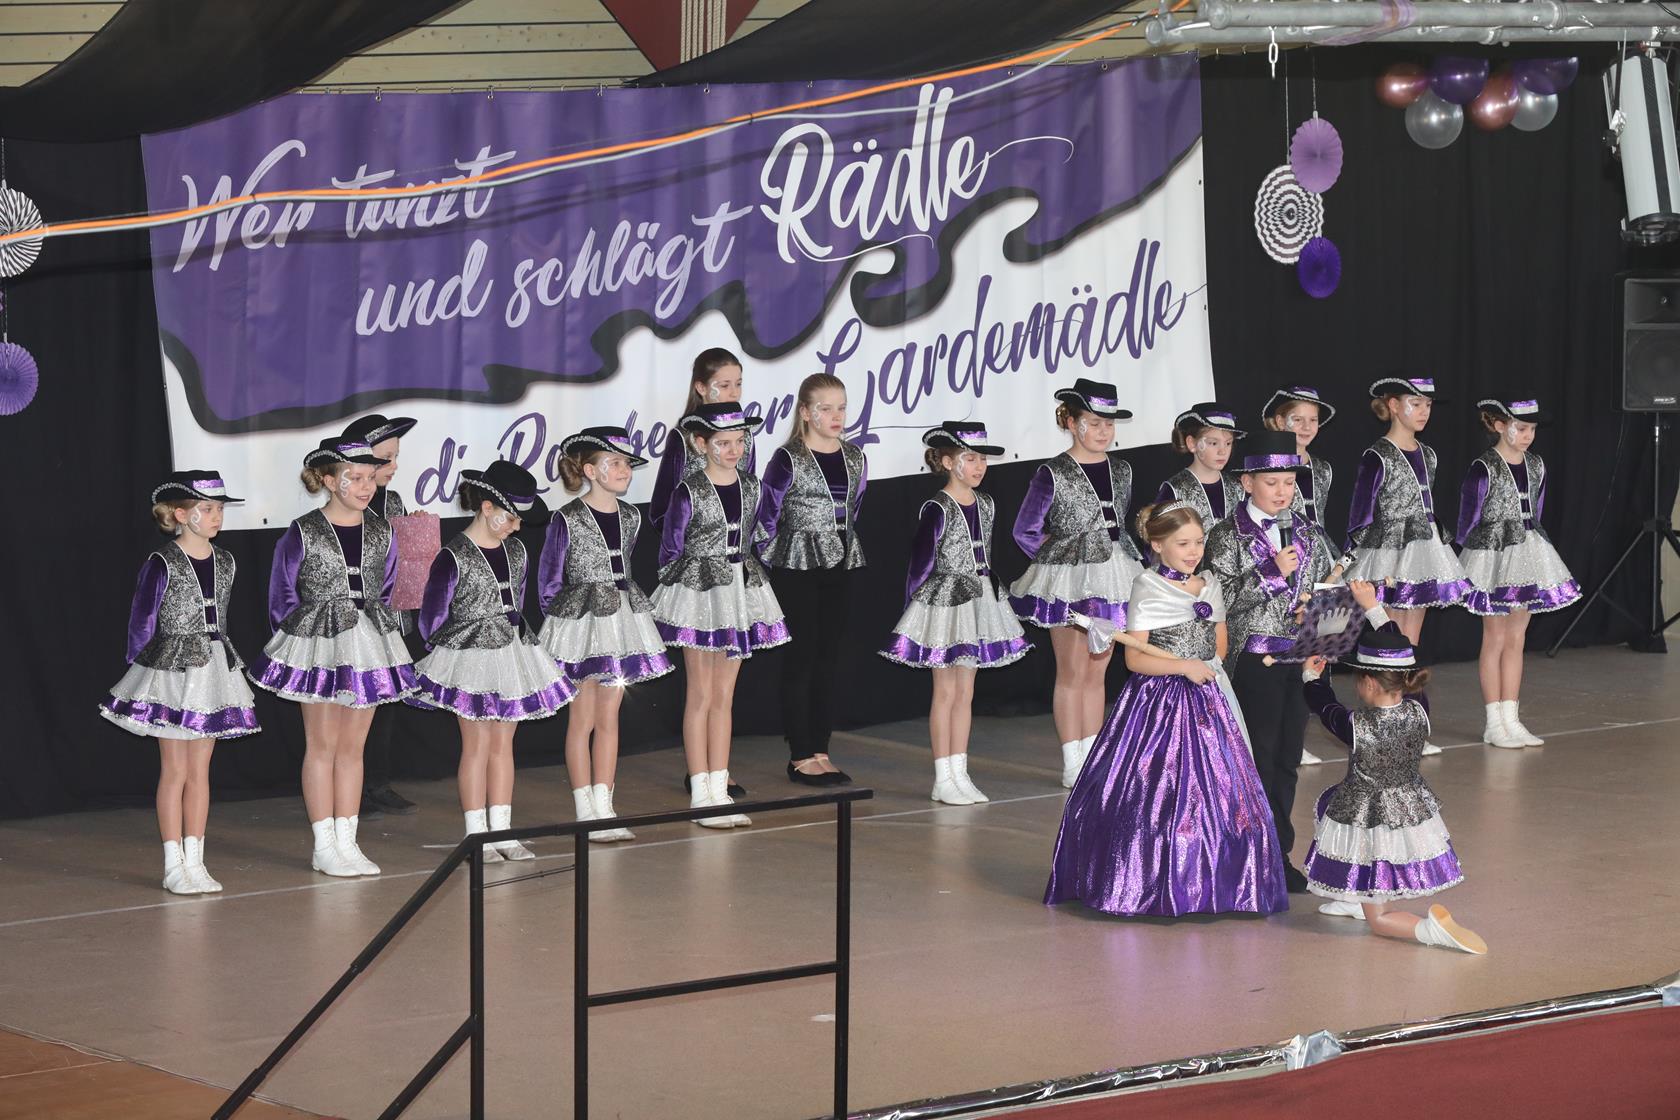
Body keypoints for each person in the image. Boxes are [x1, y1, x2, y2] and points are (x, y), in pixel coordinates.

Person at [1044, 501, 1286, 916]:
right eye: (1182, 544)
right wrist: (1182, 666)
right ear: (1157, 545)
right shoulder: (1147, 586)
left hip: (1209, 697)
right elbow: (1135, 659)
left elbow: (1219, 645)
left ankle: (1221, 884)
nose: (1194, 552)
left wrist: (1206, 665)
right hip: (1160, 703)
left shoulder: (1209, 584)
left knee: (1225, 792)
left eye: (1199, 542)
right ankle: (1148, 884)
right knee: (1160, 794)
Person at [250, 437, 416, 877]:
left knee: (353, 748)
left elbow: (388, 588)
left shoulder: (382, 531)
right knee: (322, 745)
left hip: (367, 644)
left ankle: (348, 840)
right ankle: (323, 844)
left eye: (369, 478)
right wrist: (300, 648)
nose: (365, 487)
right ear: (328, 480)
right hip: (319, 646)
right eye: (354, 478)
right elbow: (281, 597)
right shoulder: (303, 530)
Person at [101, 472, 261, 894]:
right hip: (172, 672)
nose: (217, 516)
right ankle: (173, 863)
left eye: (220, 508)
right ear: (180, 514)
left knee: (200, 771)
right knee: (175, 770)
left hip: (212, 668)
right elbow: (142, 621)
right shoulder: (163, 562)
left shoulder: (226, 561)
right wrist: (145, 678)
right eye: (207, 509)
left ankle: (196, 859)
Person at [413, 460, 575, 861]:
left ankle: (502, 831)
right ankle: (476, 834)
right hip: (470, 658)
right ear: (487, 508)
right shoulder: (453, 556)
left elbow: (516, 602)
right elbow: (431, 620)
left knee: (504, 744)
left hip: (511, 654)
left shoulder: (516, 552)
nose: (516, 527)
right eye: (511, 518)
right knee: (477, 744)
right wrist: (458, 651)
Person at [1301, 610, 1487, 955]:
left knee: (1379, 915)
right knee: (1328, 806)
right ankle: (1352, 898)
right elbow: (1397, 644)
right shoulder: (1419, 707)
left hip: (1365, 811)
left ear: (1369, 684)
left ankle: (1427, 930)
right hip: (1406, 804)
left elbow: (1324, 706)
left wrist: (1311, 677)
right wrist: (1374, 609)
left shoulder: (1356, 725)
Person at [1203, 430, 1336, 893]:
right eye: (1272, 482)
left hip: (1299, 659)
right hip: (1252, 660)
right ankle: (1245, 855)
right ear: (1247, 483)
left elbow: (1328, 588)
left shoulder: (1309, 531)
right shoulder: (1226, 535)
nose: (1282, 492)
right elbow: (1217, 601)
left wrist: (1320, 627)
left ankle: (1278, 854)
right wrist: (1271, 573)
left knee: (1285, 760)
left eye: (1289, 483)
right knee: (1254, 758)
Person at [652, 402, 789, 828]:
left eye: (739, 442)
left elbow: (761, 534)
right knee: (701, 693)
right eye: (723, 443)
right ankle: (701, 791)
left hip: (739, 592)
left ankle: (719, 787)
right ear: (701, 444)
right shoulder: (688, 490)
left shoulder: (752, 487)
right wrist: (688, 588)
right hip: (700, 594)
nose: (733, 450)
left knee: (725, 696)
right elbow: (670, 550)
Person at [880, 422, 1030, 805]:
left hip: (980, 599)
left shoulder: (987, 503)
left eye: (982, 459)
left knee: (966, 691)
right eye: (970, 458)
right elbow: (920, 565)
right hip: (946, 604)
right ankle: (942, 776)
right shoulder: (937, 508)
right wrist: (916, 616)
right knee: (946, 691)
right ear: (948, 462)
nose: (979, 466)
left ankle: (960, 772)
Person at [539, 427, 674, 841]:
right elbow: (549, 581)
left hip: (620, 624)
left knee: (610, 717)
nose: (624, 470)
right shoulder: (567, 518)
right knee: (582, 719)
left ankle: (606, 803)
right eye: (614, 463)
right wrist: (562, 632)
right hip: (581, 627)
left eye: (626, 464)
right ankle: (586, 808)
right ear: (590, 471)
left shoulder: (631, 516)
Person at [1009, 379, 1143, 787]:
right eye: (1094, 423)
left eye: (1109, 424)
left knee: (1098, 670)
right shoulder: (1053, 472)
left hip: (1115, 576)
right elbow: (1025, 530)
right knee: (1072, 670)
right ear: (1071, 422)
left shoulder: (1122, 469)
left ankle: (1093, 756)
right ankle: (1072, 759)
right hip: (1069, 580)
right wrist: (1058, 564)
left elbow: (1119, 523)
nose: (1103, 431)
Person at [755, 373, 867, 787]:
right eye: (826, 408)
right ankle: (800, 753)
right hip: (797, 565)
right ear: (805, 412)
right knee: (800, 658)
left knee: (828, 657)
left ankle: (821, 748)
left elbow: (855, 506)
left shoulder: (854, 457)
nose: (836, 416)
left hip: (840, 562)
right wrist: (775, 558)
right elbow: (766, 518)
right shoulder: (789, 458)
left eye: (841, 408)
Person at [1457, 398, 1580, 749]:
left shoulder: (1536, 464)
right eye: (1521, 428)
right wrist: (1474, 564)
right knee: (1495, 638)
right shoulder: (1484, 467)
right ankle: (1493, 722)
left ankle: (1512, 718)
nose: (1528, 435)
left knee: (1516, 638)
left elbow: (1536, 511)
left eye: (1532, 429)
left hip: (1527, 552)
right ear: (1499, 426)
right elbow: (1468, 521)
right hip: (1493, 557)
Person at [341, 413, 422, 820]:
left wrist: (418, 540)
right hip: (352, 621)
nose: (393, 466)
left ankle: (377, 782)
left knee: (386, 702)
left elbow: (404, 563)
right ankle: (347, 790)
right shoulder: (343, 506)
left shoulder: (392, 502)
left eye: (395, 457)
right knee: (351, 701)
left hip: (388, 618)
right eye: (385, 458)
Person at [1260, 386, 1338, 767]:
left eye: (1313, 420)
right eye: (1297, 419)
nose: (1306, 427)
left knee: (1320, 643)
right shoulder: (1268, 464)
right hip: (1285, 559)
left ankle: (1300, 731)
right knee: (1286, 640)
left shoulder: (1322, 469)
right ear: (1279, 421)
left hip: (1319, 559)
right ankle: (1281, 732)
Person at [650, 348, 757, 535]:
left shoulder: (745, 436)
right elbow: (661, 510)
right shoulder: (684, 438)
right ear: (701, 388)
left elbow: (749, 494)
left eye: (738, 384)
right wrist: (690, 543)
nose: (734, 393)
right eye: (724, 386)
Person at [1155, 402, 1245, 526]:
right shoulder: (1175, 490)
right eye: (1213, 443)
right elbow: (1159, 532)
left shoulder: (1238, 488)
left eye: (1228, 443)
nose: (1223, 451)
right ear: (1192, 444)